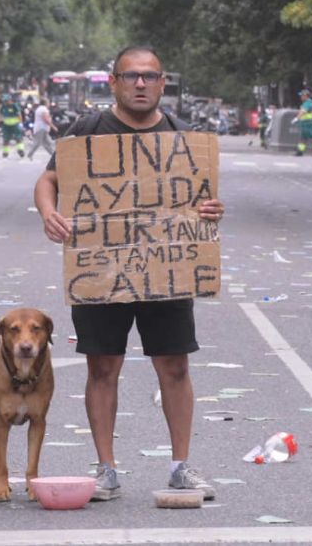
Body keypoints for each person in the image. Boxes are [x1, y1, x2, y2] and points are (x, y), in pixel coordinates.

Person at [33, 45, 225, 503]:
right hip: (101, 271)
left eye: (150, 76)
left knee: (175, 366)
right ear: (114, 82)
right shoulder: (87, 131)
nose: (141, 84)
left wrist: (212, 210)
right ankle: (106, 469)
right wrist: (48, 212)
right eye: (131, 76)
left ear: (162, 83)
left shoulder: (185, 137)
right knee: (102, 366)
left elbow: (203, 203)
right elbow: (48, 181)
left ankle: (181, 466)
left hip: (167, 272)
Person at [293, 89, 312, 156]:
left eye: (302, 95)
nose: (300, 97)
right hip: (307, 123)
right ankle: (300, 151)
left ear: (305, 96)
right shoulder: (309, 103)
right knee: (303, 137)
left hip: (309, 123)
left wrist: (296, 118)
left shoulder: (307, 103)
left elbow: (303, 112)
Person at [0, 94, 25, 158]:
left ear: (10, 100)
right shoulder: (3, 107)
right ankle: (5, 152)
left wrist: (21, 123)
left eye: (7, 101)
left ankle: (20, 150)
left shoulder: (14, 106)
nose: (6, 102)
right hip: (6, 126)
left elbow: (19, 115)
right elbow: (1, 115)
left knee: (18, 138)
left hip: (15, 125)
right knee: (5, 139)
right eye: (4, 101)